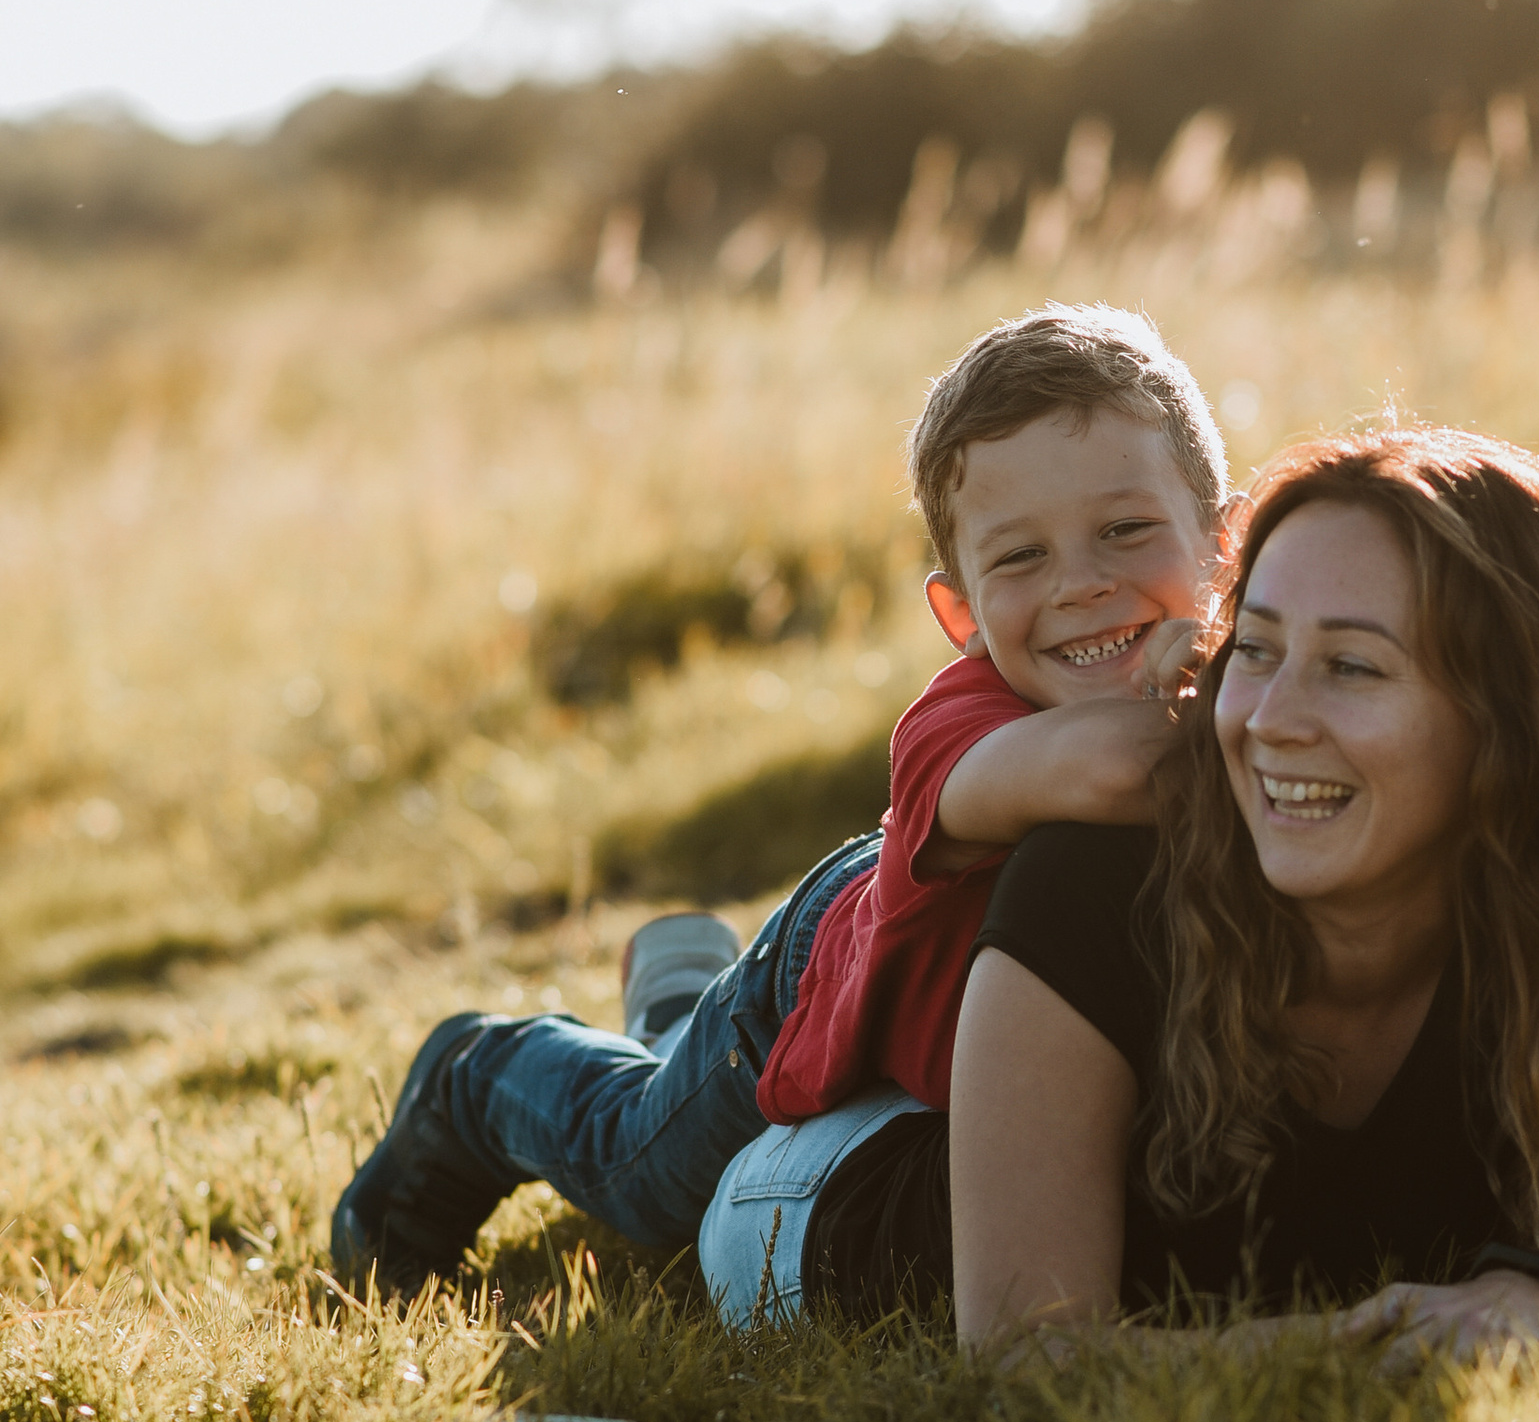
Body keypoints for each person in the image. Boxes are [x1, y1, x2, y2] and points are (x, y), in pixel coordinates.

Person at [329, 303, 1227, 1301]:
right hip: (807, 993)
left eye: (1125, 530)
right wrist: (1249, 684)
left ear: (1225, 549)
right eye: (1022, 557)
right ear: (961, 612)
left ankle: (675, 992)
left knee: (671, 1062)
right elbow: (1112, 767)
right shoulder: (958, 724)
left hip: (906, 965)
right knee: (638, 1166)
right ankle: (476, 1077)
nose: (1083, 585)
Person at [779, 422, 1539, 1353]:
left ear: (1508, 721)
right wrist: (1354, 1340)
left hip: (956, 1005)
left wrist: (1533, 1292)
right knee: (683, 1101)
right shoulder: (1090, 887)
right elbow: (1021, 1354)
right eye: (1253, 650)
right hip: (824, 1186)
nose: (1269, 721)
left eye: (1351, 667)